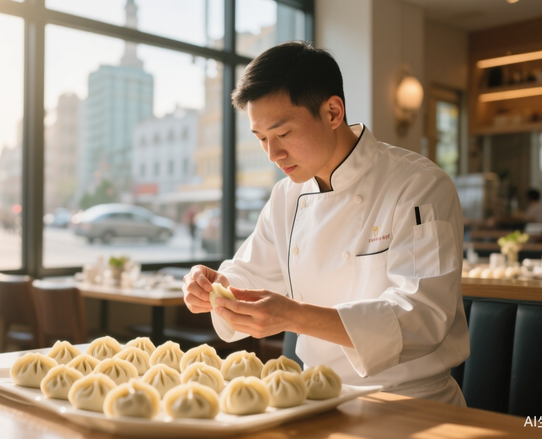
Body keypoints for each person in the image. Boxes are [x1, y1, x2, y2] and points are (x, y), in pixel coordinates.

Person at [182, 42, 469, 406]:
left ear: (333, 112)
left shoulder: (418, 185)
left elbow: (423, 316)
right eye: (262, 139)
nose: (273, 154)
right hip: (317, 398)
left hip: (412, 403)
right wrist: (217, 288)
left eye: (283, 134)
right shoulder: (286, 197)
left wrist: (294, 315)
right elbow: (251, 275)